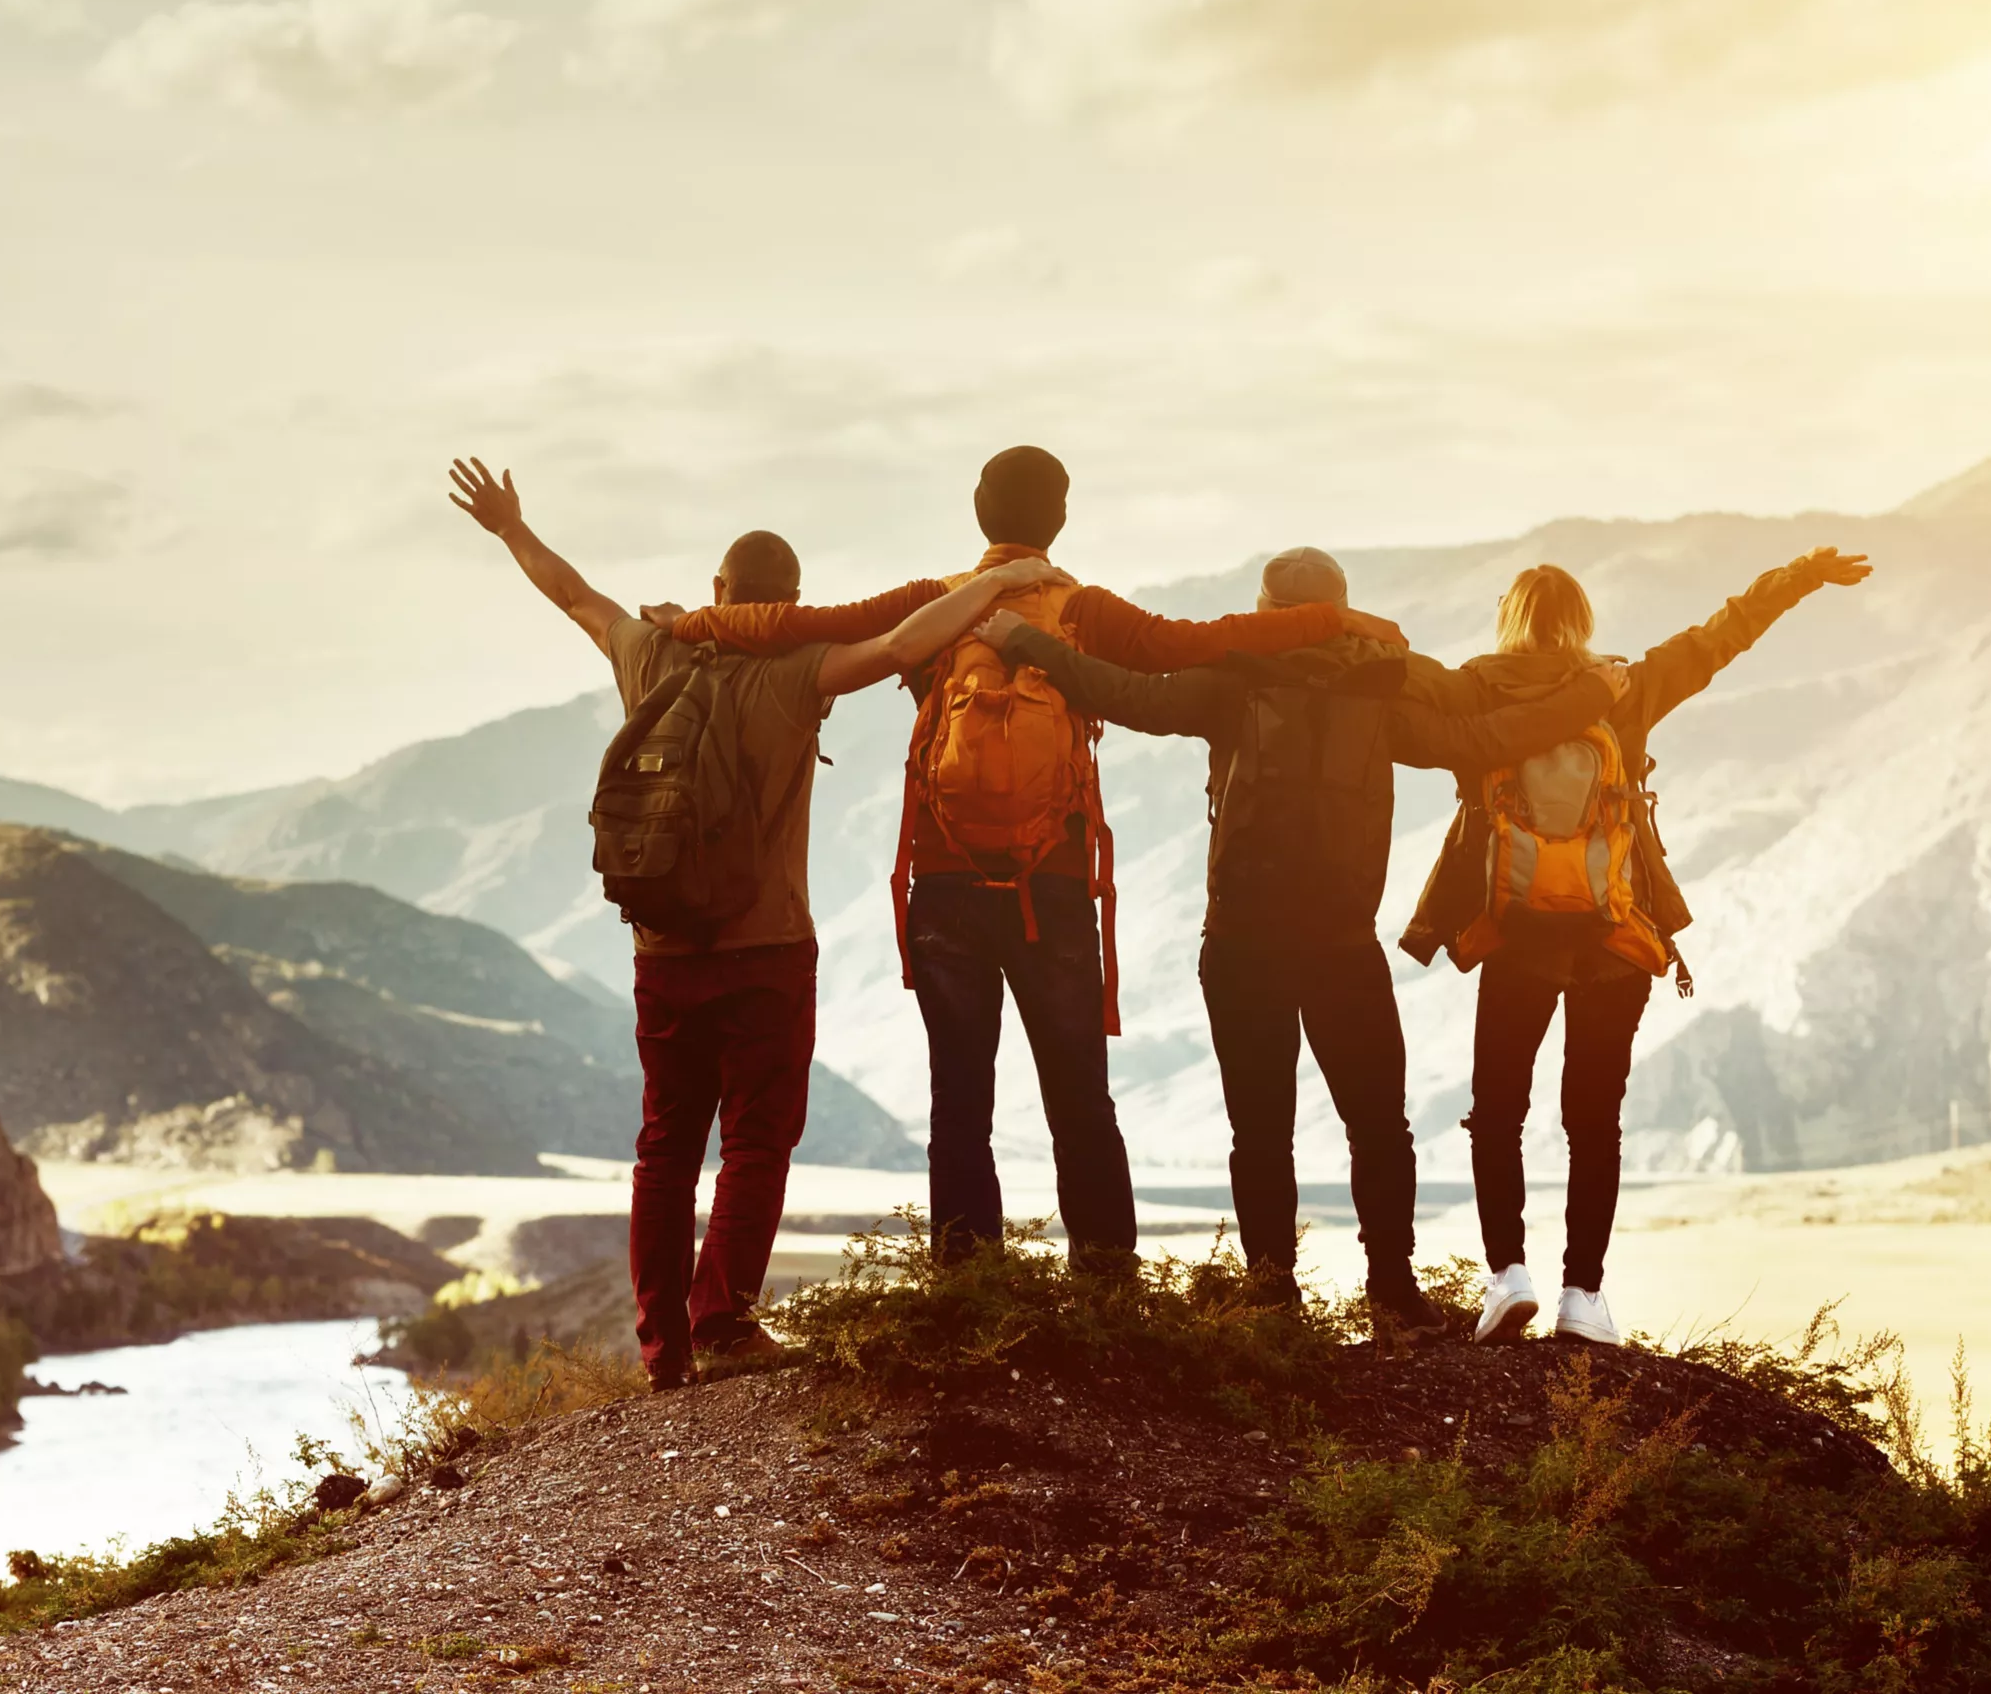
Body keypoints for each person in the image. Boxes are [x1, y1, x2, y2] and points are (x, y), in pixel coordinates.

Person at [661, 449, 1409, 1274]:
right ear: (1060, 519)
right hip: (1053, 880)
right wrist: (1336, 623)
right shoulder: (1084, 609)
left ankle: (967, 1286)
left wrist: (694, 623)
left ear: (979, 512)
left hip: (945, 878)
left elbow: (800, 625)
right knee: (1080, 1095)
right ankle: (1106, 1282)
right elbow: (1210, 640)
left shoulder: (932, 603)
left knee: (959, 1102)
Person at [446, 453, 1068, 1386]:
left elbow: (573, 595)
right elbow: (903, 646)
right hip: (766, 948)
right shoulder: (800, 671)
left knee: (664, 1149)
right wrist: (998, 584)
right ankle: (725, 1322)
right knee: (755, 1142)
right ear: (793, 602)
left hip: (662, 949)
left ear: (718, 591)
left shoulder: (650, 653)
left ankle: (662, 1349)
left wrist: (510, 527)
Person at [979, 546, 1627, 1327]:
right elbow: (1486, 738)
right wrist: (1591, 693)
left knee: (1259, 1132)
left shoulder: (1231, 680)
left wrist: (1023, 640)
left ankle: (1271, 1294)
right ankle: (1393, 1294)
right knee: (1379, 1128)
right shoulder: (1378, 687)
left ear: (1265, 611)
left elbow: (1122, 693)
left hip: (1242, 941)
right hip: (1342, 945)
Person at [1401, 545, 1874, 1346]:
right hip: (1615, 939)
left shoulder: (1476, 688)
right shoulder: (1625, 686)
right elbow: (1720, 637)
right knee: (1594, 1122)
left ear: (1509, 621)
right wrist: (1796, 577)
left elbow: (1397, 683)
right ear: (1582, 622)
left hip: (1515, 936)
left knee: (1499, 1111)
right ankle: (1582, 1296)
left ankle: (1508, 1275)